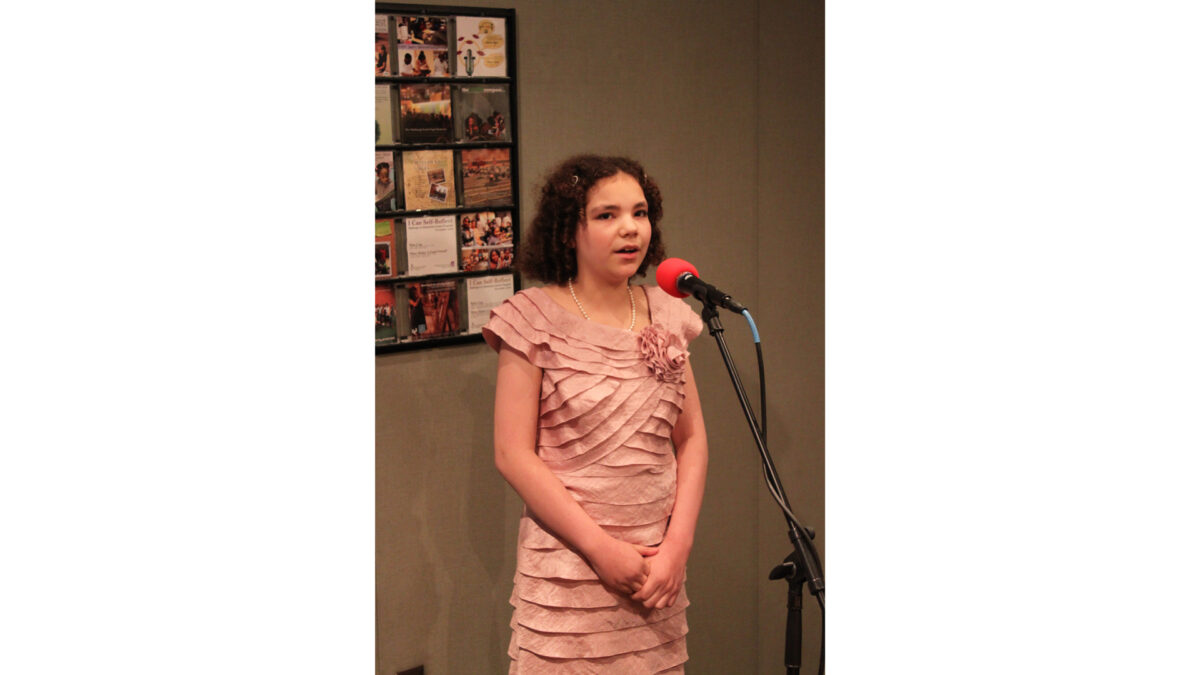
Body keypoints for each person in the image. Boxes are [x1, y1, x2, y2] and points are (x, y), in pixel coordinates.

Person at [482, 155, 708, 673]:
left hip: (656, 576)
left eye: (640, 212)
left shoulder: (669, 313)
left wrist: (677, 548)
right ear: (569, 230)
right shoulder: (532, 318)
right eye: (607, 215)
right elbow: (512, 454)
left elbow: (692, 439)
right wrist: (601, 549)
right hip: (570, 574)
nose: (630, 228)